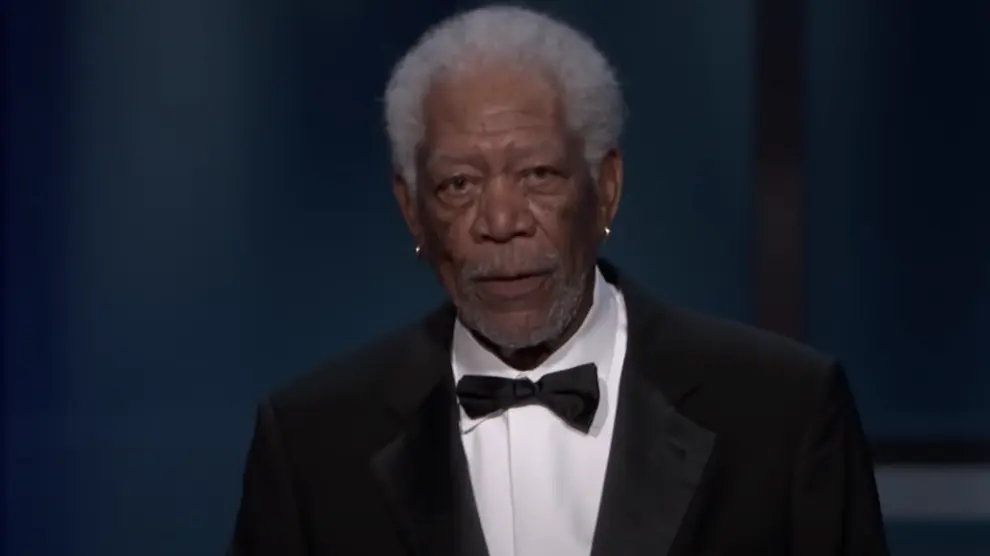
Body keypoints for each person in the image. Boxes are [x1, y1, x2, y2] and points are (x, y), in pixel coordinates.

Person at [229, 5, 888, 556]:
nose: (502, 222)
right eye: (459, 184)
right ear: (412, 211)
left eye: (538, 175)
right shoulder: (312, 445)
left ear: (606, 189)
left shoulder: (784, 414)